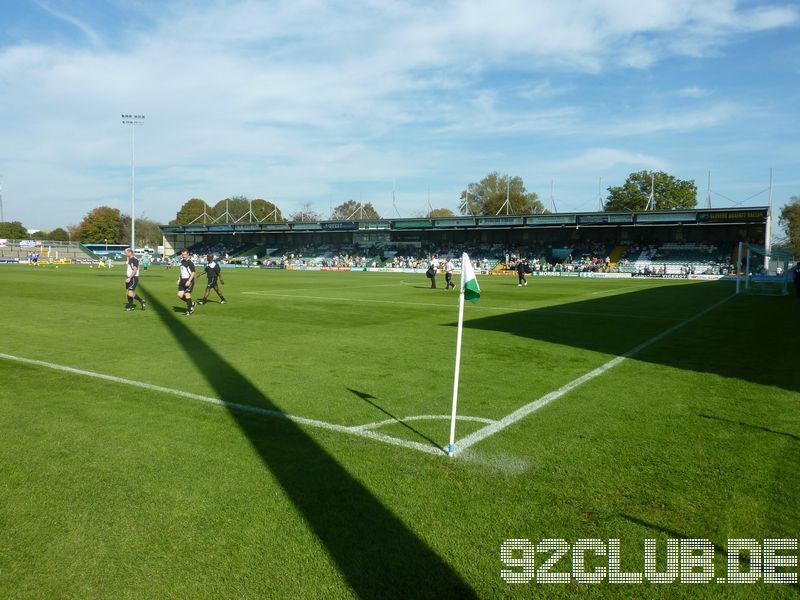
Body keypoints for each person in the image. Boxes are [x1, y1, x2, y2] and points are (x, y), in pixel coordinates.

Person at [177, 248, 196, 316]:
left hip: (189, 281)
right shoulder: (182, 261)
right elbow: (182, 272)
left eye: (185, 254)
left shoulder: (190, 263)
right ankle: (192, 304)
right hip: (182, 281)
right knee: (180, 295)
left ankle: (189, 309)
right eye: (182, 255)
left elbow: (193, 273)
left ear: (188, 254)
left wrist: (189, 281)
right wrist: (179, 279)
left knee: (187, 294)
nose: (183, 256)